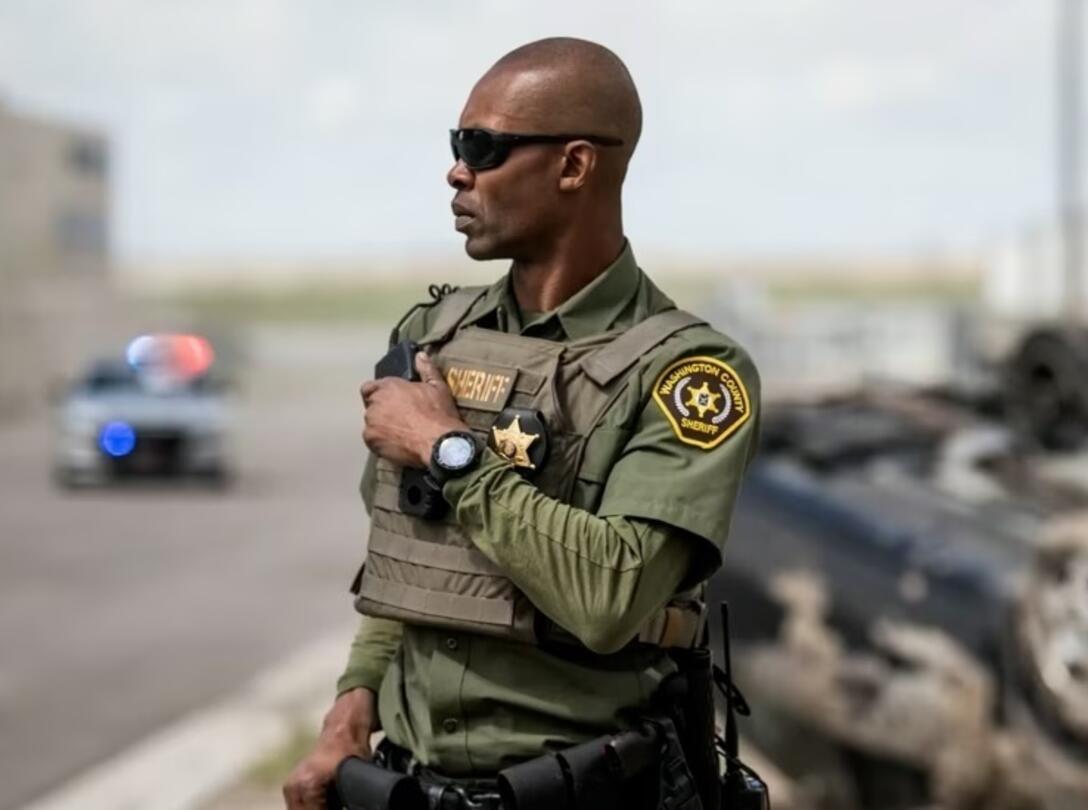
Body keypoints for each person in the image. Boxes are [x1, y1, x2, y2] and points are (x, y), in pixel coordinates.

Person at [282, 37, 762, 809]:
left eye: (484, 147)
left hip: (586, 789)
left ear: (574, 166)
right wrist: (352, 704)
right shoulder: (435, 337)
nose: (457, 170)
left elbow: (610, 597)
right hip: (408, 783)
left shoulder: (689, 374)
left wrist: (448, 447)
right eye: (456, 145)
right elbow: (405, 564)